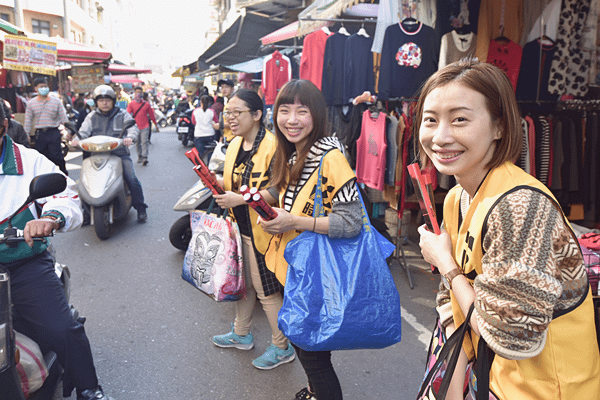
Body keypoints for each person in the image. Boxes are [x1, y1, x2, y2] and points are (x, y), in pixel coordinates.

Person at [416, 59, 600, 400]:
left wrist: (447, 265)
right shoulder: (457, 198)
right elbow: (452, 303)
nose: (440, 137)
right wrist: (451, 387)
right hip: (493, 381)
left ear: (499, 127)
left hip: (548, 389)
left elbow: (510, 337)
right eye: (430, 120)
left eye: (460, 119)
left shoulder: (521, 208)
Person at [0, 105, 114, 400]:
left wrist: (50, 219)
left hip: (23, 263)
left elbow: (65, 195)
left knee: (63, 329)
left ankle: (90, 389)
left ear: (4, 125)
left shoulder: (31, 161)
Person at [260, 80, 363, 400]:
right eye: (284, 110)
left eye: (301, 111)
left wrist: (293, 221)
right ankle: (315, 392)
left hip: (318, 274)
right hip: (300, 270)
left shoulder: (329, 156)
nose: (291, 119)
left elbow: (352, 222)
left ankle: (320, 391)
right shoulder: (295, 152)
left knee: (313, 356)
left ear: (317, 116)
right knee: (311, 350)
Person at [211, 88, 295, 370]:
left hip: (264, 232)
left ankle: (282, 346)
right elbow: (230, 182)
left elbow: (278, 188)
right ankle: (241, 332)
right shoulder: (234, 144)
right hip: (239, 228)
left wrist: (241, 199)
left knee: (265, 290)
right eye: (228, 113)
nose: (231, 118)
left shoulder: (273, 146)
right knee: (243, 285)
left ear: (257, 115)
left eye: (237, 112)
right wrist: (215, 183)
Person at [73, 85, 148, 223]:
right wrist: (76, 140)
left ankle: (140, 208)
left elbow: (132, 128)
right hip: (94, 155)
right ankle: (87, 212)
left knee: (131, 178)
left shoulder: (122, 114)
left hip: (118, 154)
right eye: (101, 100)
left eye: (107, 100)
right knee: (83, 183)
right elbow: (83, 132)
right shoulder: (91, 116)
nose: (104, 103)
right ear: (96, 102)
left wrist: (130, 137)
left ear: (113, 100)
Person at [24, 77, 69, 174]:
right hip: (40, 133)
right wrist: (26, 134)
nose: (44, 88)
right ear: (36, 88)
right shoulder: (31, 103)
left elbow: (63, 117)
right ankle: (45, 177)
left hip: (53, 131)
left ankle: (64, 173)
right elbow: (28, 120)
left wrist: (68, 130)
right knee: (42, 156)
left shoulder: (56, 101)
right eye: (41, 86)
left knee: (56, 156)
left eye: (45, 86)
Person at [126, 86, 158, 166]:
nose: (138, 94)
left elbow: (151, 115)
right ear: (134, 93)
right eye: (137, 92)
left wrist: (155, 124)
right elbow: (127, 114)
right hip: (136, 127)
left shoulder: (146, 104)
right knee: (137, 143)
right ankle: (139, 156)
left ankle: (145, 157)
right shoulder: (131, 104)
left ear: (142, 94)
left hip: (145, 126)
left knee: (144, 142)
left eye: (140, 93)